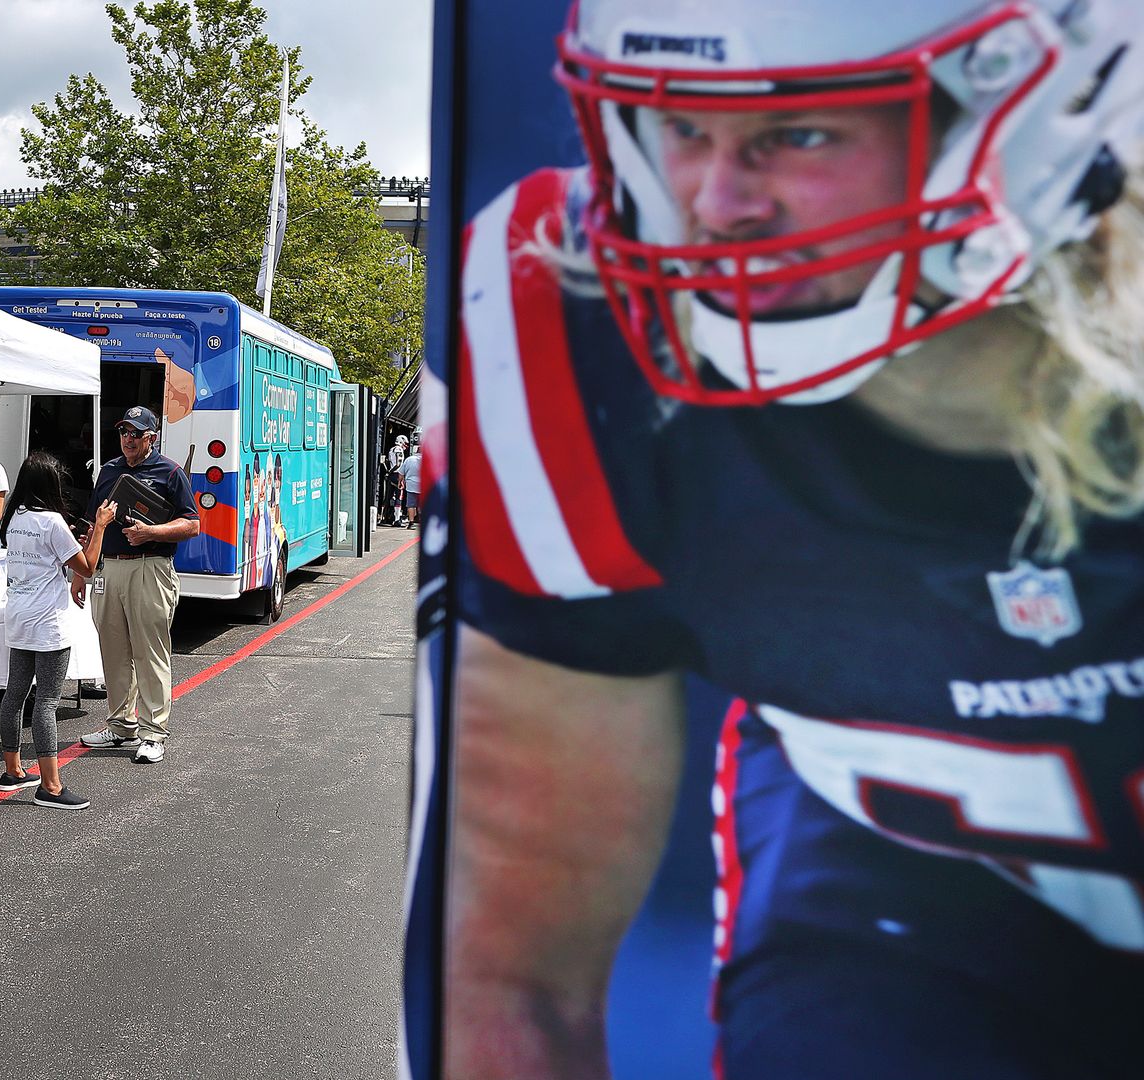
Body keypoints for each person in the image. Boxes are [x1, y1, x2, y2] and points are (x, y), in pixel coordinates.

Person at [416, 2, 1144, 1078]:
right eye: (684, 127)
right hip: (903, 914)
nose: (718, 205)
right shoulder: (565, 336)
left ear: (1036, 115)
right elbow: (517, 984)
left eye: (799, 132)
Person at [73, 406, 201, 764]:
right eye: (124, 432)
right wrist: (82, 573)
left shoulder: (170, 472)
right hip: (109, 568)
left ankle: (154, 732)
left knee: (149, 652)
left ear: (151, 438)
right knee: (113, 652)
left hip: (150, 567)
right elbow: (92, 523)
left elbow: (192, 524)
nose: (128, 439)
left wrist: (151, 532)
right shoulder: (109, 470)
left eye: (136, 433)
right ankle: (120, 725)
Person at [0, 452, 116, 809]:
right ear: (49, 484)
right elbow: (87, 567)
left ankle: (13, 771)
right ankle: (51, 786)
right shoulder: (52, 522)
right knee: (47, 701)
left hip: (18, 614)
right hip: (48, 621)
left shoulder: (14, 518)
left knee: (15, 694)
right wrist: (100, 526)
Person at [398, 444, 421, 530]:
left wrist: (400, 482)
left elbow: (401, 473)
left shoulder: (409, 459)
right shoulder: (428, 459)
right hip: (423, 485)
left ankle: (411, 523)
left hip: (411, 485)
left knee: (411, 505)